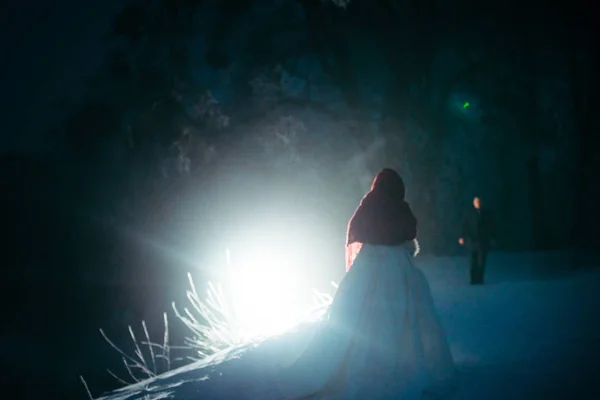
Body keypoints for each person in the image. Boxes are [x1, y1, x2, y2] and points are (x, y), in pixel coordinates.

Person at [277, 168, 457, 400]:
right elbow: (410, 230)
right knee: (402, 319)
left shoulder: (369, 204)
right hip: (398, 268)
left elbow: (357, 229)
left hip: (368, 266)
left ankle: (353, 367)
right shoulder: (401, 208)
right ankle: (404, 367)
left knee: (356, 319)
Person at [458, 196, 495, 285]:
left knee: (481, 261)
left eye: (479, 202)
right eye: (476, 202)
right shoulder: (469, 214)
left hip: (483, 241)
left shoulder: (486, 214)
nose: (478, 203)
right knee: (472, 262)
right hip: (472, 241)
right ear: (473, 203)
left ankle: (480, 279)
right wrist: (461, 237)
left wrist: (492, 238)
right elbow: (464, 225)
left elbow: (491, 227)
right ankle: (473, 280)